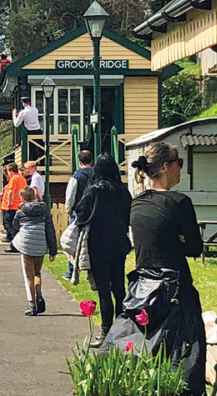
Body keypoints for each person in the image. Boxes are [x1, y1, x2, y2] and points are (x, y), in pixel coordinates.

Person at [112, 142, 204, 395]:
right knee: (185, 361)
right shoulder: (179, 202)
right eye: (179, 163)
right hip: (175, 290)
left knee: (148, 357)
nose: (180, 169)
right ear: (165, 167)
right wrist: (178, 241)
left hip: (143, 290)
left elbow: (149, 243)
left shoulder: (138, 203)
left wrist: (170, 241)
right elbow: (195, 247)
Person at [73, 153, 131, 348]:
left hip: (98, 245)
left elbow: (81, 215)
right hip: (119, 243)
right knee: (119, 288)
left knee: (104, 291)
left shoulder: (93, 191)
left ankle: (106, 332)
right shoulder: (122, 190)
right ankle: (121, 330)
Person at [12, 187, 57, 316]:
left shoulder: (21, 212)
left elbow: (15, 226)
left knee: (28, 276)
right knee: (37, 273)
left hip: (26, 245)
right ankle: (40, 295)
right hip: (40, 244)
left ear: (23, 198)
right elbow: (50, 230)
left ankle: (32, 304)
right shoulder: (44, 211)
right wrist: (52, 251)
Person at [62, 150, 94, 279]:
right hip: (93, 212)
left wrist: (69, 210)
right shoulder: (96, 175)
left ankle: (71, 270)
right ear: (92, 161)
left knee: (72, 242)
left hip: (78, 213)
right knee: (91, 243)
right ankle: (90, 271)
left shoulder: (76, 176)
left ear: (79, 161)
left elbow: (70, 196)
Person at [1, 163, 27, 252]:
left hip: (11, 206)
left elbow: (11, 191)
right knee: (16, 226)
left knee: (9, 225)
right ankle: (17, 243)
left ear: (11, 171)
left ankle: (14, 245)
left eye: (8, 171)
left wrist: (9, 202)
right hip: (20, 206)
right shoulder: (22, 179)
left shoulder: (13, 179)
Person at [12, 95, 43, 163]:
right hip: (38, 131)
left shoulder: (23, 113)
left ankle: (34, 164)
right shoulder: (35, 110)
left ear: (23, 103)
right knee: (41, 148)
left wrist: (14, 115)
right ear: (29, 102)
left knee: (33, 150)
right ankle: (42, 164)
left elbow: (16, 124)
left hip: (30, 132)